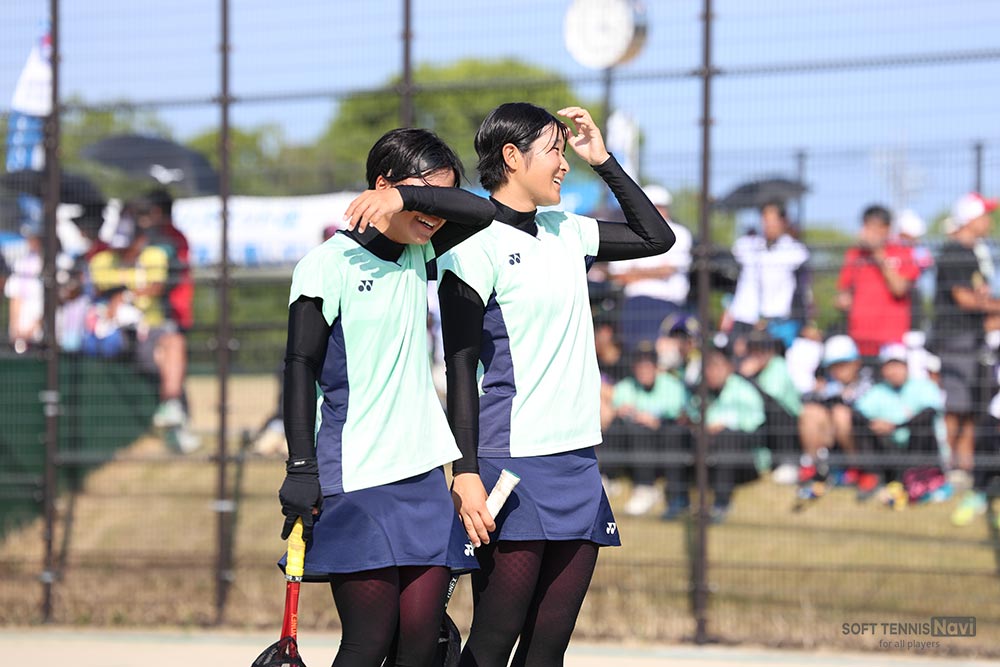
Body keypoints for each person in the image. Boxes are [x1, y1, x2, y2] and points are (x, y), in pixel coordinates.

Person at [437, 103, 674, 666]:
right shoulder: (471, 249)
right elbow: (459, 371)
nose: (565, 164)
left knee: (548, 649)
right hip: (511, 461)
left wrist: (604, 160)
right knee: (493, 641)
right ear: (512, 157)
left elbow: (656, 237)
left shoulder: (568, 230)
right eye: (555, 151)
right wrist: (465, 472)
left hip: (578, 462)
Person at [276, 127, 495, 666]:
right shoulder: (326, 264)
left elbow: (481, 212)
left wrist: (408, 198)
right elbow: (298, 367)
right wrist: (301, 467)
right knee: (369, 641)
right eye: (423, 194)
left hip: (423, 476)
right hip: (357, 475)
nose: (434, 213)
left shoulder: (420, 252)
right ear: (380, 185)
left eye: (439, 198)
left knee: (421, 642)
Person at [931, 193, 1000, 506]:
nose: (989, 221)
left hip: (974, 339)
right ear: (971, 218)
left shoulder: (974, 253)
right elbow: (965, 299)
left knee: (973, 407)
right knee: (956, 406)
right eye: (984, 215)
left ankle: (967, 467)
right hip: (955, 340)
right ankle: (949, 466)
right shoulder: (953, 251)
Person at [603, 346, 691, 516]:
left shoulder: (672, 386)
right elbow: (619, 408)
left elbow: (678, 416)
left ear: (656, 367)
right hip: (634, 442)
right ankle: (606, 478)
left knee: (665, 431)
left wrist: (654, 420)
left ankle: (647, 489)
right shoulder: (626, 386)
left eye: (647, 366)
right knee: (620, 424)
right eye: (640, 366)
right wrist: (628, 413)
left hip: (665, 440)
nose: (644, 371)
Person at [606, 184, 692, 351]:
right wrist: (656, 272)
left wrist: (634, 273)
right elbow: (617, 275)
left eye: (660, 207)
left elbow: (668, 270)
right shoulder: (629, 231)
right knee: (634, 353)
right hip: (634, 303)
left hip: (667, 304)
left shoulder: (679, 233)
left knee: (662, 352)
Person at [835, 205, 920, 357]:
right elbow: (844, 291)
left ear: (886, 228)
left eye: (874, 227)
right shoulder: (855, 254)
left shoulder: (902, 252)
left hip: (892, 338)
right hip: (859, 336)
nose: (869, 232)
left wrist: (877, 253)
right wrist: (843, 300)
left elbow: (899, 288)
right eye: (866, 227)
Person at [725, 201, 811, 350]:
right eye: (765, 220)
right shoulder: (747, 244)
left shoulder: (795, 251)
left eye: (773, 220)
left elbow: (801, 291)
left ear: (783, 222)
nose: (768, 225)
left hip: (775, 322)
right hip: (745, 317)